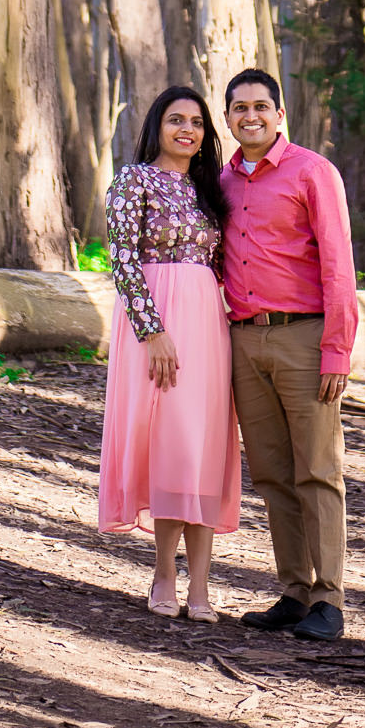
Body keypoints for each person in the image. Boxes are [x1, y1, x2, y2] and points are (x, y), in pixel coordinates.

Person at [221, 67, 358, 642]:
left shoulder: (313, 172)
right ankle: (294, 592)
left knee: (318, 469)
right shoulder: (221, 181)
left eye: (259, 106)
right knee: (273, 473)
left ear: (280, 114)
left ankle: (330, 600)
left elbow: (337, 264)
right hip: (244, 339)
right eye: (237, 108)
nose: (249, 116)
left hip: (305, 336)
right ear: (227, 118)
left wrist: (337, 350)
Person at [98, 86, 241, 622]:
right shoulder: (133, 180)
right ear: (157, 125)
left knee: (205, 445)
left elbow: (227, 264)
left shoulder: (211, 189)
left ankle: (201, 585)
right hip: (157, 326)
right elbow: (123, 262)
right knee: (170, 443)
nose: (188, 129)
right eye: (176, 119)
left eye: (198, 122)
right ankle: (163, 572)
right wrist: (152, 331)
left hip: (207, 324)